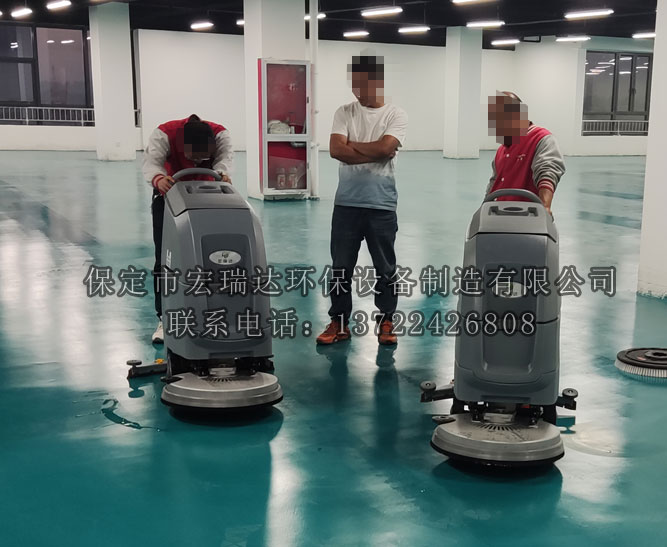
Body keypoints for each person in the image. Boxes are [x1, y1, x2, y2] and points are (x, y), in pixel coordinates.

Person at [316, 55, 408, 346]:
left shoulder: (396, 114)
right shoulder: (344, 112)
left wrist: (354, 147)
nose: (357, 90)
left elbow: (385, 148)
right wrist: (375, 151)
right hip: (346, 204)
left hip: (381, 204)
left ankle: (386, 320)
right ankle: (339, 322)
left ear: (378, 81)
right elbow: (336, 150)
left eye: (363, 83)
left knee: (385, 268)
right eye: (354, 84)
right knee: (341, 267)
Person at [142, 114, 234, 343]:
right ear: (181, 147)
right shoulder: (164, 134)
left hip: (208, 197)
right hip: (169, 197)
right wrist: (158, 178)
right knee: (165, 259)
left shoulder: (221, 135)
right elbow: (151, 163)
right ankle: (164, 318)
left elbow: (224, 161)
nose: (196, 163)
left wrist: (223, 174)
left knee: (213, 257)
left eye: (203, 158)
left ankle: (211, 314)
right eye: (192, 157)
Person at [486, 91, 565, 212]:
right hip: (499, 214)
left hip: (527, 215)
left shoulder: (541, 138)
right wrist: (484, 207)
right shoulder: (501, 151)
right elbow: (494, 183)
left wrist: (545, 206)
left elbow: (548, 172)